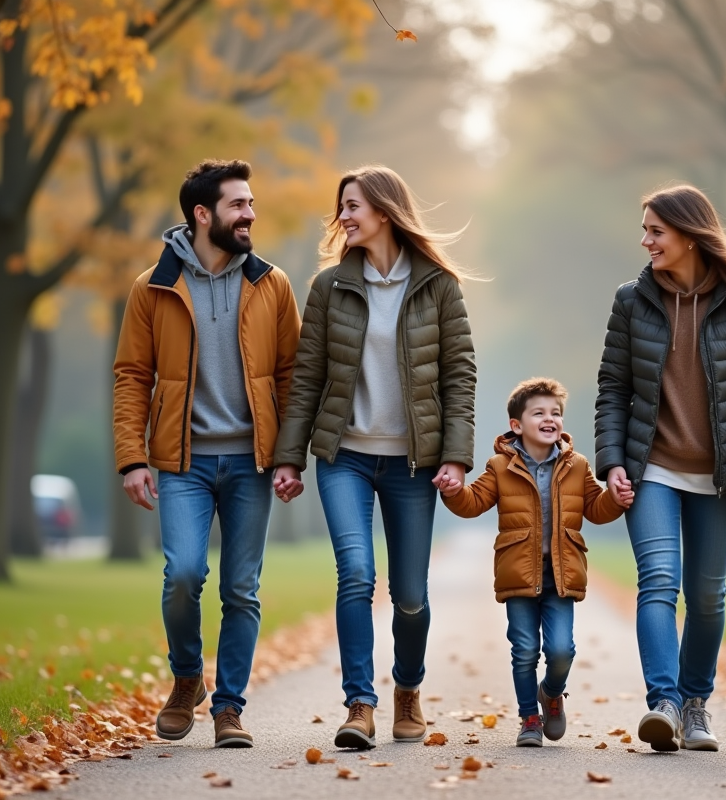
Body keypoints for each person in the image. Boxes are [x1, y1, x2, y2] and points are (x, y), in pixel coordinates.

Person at [272, 165, 476, 750]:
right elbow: (307, 378)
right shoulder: (329, 287)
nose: (343, 217)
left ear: (384, 212)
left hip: (413, 464)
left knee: (410, 595)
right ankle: (359, 703)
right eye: (342, 207)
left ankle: (407, 690)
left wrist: (455, 456)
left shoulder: (438, 286)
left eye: (353, 206)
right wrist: (290, 458)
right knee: (357, 574)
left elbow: (459, 375)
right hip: (346, 458)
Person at [113, 159, 300, 748]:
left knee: (241, 589)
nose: (250, 214)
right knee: (184, 575)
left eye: (251, 203)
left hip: (251, 462)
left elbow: (293, 375)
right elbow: (131, 375)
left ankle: (229, 709)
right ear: (202, 214)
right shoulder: (153, 286)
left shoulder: (272, 284)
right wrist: (132, 458)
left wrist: (290, 455)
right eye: (238, 205)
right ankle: (187, 676)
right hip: (182, 462)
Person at [594, 184, 726, 752]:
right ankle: (665, 703)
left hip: (718, 473)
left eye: (656, 231)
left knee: (706, 596)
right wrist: (612, 462)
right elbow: (613, 387)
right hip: (651, 466)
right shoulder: (632, 300)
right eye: (645, 230)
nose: (645, 241)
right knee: (657, 582)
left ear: (690, 236)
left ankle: (696, 703)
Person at [439, 378, 630, 747]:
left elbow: (595, 507)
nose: (549, 419)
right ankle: (529, 718)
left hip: (562, 573)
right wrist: (454, 492)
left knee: (561, 650)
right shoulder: (500, 466)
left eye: (555, 413)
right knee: (524, 650)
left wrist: (616, 499)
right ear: (517, 424)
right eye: (539, 413)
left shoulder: (577, 465)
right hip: (519, 573)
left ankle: (552, 693)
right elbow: (473, 502)